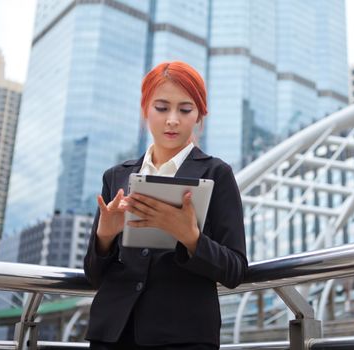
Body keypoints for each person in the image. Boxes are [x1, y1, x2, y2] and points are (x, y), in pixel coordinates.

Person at [84, 61, 248, 349]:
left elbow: (235, 269)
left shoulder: (216, 174)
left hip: (183, 337)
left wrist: (191, 238)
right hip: (112, 334)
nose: (173, 119)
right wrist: (105, 236)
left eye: (185, 110)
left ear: (199, 116)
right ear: (144, 110)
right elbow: (93, 275)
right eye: (161, 108)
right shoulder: (116, 176)